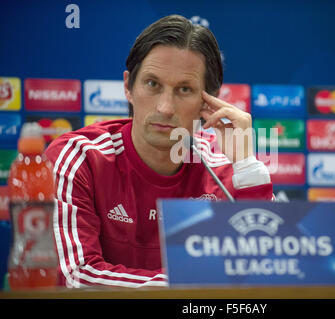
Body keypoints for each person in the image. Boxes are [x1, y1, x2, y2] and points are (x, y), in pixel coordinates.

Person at [45, 14, 273, 288]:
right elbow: (76, 276)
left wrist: (248, 167)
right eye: (152, 84)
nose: (165, 107)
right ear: (128, 87)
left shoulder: (222, 169)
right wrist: (185, 286)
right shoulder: (79, 158)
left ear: (209, 102)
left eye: (184, 89)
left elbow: (265, 273)